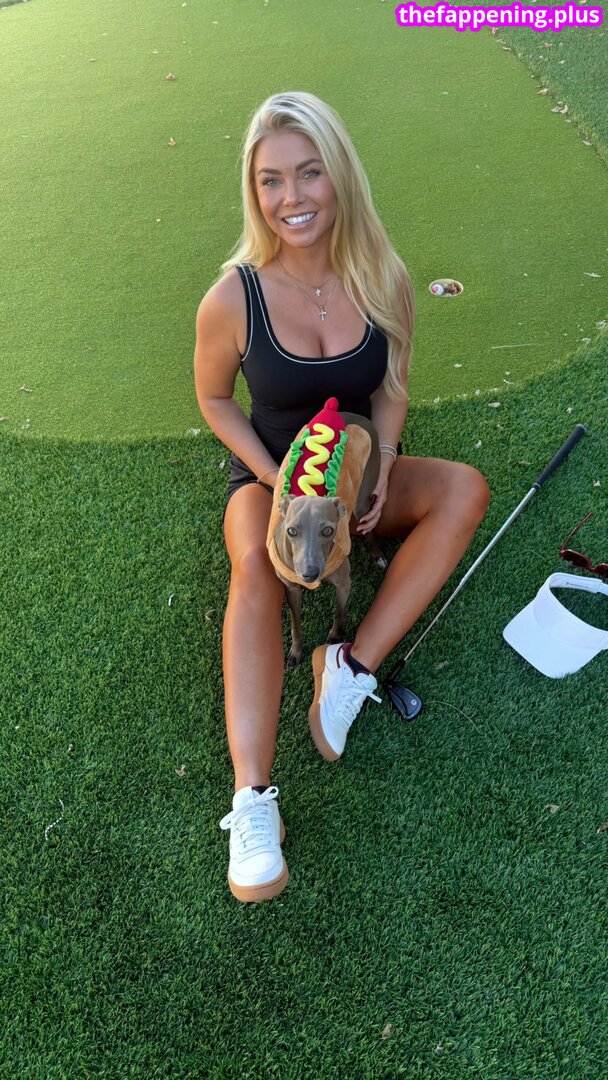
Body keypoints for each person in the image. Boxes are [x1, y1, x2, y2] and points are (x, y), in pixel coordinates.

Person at [193, 91, 490, 904]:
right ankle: (253, 803)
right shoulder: (234, 297)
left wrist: (386, 462)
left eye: (309, 173)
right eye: (270, 180)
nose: (291, 198)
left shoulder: (382, 277)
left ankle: (349, 666)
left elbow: (391, 387)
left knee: (464, 489)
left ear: (340, 176)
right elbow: (214, 399)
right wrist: (270, 478)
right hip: (270, 478)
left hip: (355, 473)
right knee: (257, 565)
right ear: (253, 191)